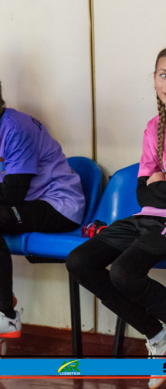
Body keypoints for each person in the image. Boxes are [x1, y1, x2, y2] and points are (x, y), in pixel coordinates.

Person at [65, 44, 166, 389]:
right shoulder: (154, 126)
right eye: (163, 75)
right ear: (155, 79)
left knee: (125, 272)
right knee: (80, 262)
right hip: (151, 214)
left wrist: (161, 184)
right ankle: (157, 335)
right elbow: (143, 194)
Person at [0, 81, 85, 351]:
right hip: (25, 204)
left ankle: (5, 315)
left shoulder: (15, 127)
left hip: (59, 205)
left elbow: (13, 192)